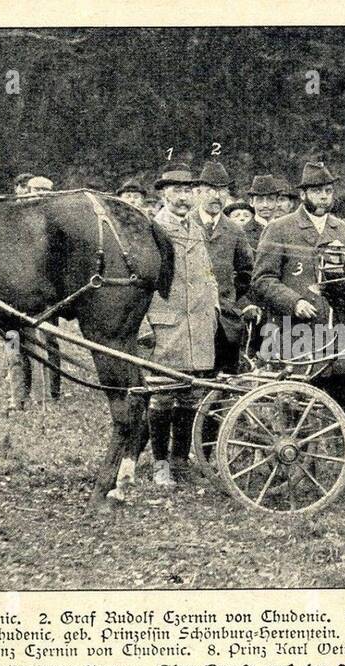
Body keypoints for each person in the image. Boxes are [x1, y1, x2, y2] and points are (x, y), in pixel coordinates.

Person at [250, 162, 345, 456]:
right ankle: (289, 462)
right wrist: (294, 302)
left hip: (336, 328)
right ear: (304, 194)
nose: (324, 197)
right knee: (291, 404)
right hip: (292, 329)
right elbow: (262, 280)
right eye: (318, 191)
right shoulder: (280, 228)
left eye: (329, 191)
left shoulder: (344, 230)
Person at [145, 165, 220, 488]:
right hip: (167, 326)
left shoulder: (196, 229)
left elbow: (208, 275)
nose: (182, 197)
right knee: (162, 397)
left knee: (191, 397)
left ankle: (180, 459)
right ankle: (160, 462)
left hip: (198, 326)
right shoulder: (153, 229)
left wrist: (213, 310)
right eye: (175, 190)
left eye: (187, 191)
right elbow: (143, 283)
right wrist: (144, 326)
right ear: (163, 194)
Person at [192, 160, 258, 375]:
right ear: (199, 192)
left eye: (222, 191)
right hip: (190, 317)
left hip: (225, 321)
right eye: (211, 190)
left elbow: (247, 272)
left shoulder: (234, 231)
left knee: (223, 383)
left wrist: (232, 301)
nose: (217, 196)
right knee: (186, 383)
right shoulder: (185, 224)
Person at [7, 173, 61, 408]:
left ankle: (50, 393)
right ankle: (18, 396)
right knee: (13, 343)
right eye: (35, 191)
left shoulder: (56, 224)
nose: (39, 196)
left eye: (44, 192)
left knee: (47, 343)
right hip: (15, 292)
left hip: (46, 294)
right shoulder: (15, 220)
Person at [243, 174, 284, 247]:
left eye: (270, 199)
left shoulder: (286, 229)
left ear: (277, 201)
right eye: (260, 200)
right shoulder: (243, 233)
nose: (265, 205)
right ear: (251, 202)